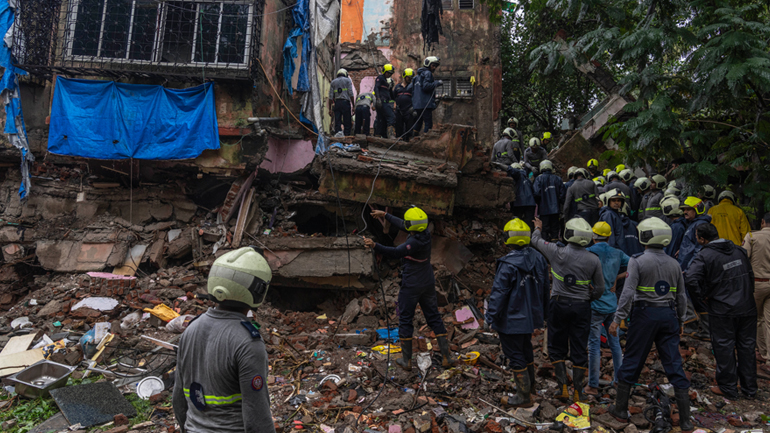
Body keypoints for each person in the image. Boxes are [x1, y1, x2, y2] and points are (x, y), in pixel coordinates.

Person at [173, 247, 276, 433]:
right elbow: (257, 417)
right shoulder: (248, 342)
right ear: (259, 289)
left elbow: (179, 400)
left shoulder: (191, 329)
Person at [607, 218, 694, 433]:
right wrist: (681, 320)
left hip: (644, 315)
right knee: (674, 363)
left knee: (633, 360)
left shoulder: (638, 261)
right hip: (668, 315)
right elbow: (681, 296)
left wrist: (617, 319)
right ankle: (685, 421)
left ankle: (620, 409)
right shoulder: (675, 264)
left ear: (644, 237)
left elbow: (627, 293)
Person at [363, 207, 454, 370]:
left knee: (405, 319)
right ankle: (447, 357)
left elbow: (395, 252)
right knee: (433, 317)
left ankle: (406, 360)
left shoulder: (413, 242)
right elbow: (405, 225)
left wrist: (374, 245)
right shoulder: (425, 233)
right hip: (427, 281)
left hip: (412, 284)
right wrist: (385, 215)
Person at [531, 217, 604, 402]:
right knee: (579, 347)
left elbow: (535, 241)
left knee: (557, 346)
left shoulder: (557, 252)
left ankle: (562, 388)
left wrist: (538, 228)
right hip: (582, 307)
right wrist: (589, 297)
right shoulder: (593, 260)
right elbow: (600, 289)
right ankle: (578, 391)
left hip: (559, 304)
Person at [685, 223, 757, 399]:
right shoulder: (739, 251)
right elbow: (750, 275)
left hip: (722, 309)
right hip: (747, 306)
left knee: (724, 347)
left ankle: (728, 388)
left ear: (702, 239)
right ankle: (750, 389)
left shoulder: (704, 256)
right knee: (747, 348)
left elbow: (690, 278)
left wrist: (702, 298)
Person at [485, 218, 549, 408]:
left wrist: (490, 317)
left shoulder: (508, 264)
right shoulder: (538, 259)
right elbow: (545, 288)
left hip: (511, 319)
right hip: (529, 317)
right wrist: (543, 314)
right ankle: (531, 388)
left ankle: (523, 396)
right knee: (526, 349)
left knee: (515, 354)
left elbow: (498, 294)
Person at [585, 221, 627, 396]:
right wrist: (618, 277)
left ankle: (593, 385)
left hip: (595, 304)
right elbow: (634, 267)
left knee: (594, 345)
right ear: (609, 237)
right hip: (612, 305)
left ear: (593, 236)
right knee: (614, 343)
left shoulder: (588, 252)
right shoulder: (618, 253)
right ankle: (619, 381)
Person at [678, 197, 712, 338]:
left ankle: (701, 328)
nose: (685, 212)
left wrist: (691, 267)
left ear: (697, 209)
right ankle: (699, 328)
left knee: (695, 298)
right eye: (684, 209)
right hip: (688, 266)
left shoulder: (699, 226)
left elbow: (699, 249)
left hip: (691, 269)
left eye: (688, 209)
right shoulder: (693, 224)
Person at [743, 212, 770, 366]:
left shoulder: (752, 237)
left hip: (757, 283)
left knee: (758, 318)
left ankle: (762, 351)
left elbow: (744, 256)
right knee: (768, 321)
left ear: (762, 222)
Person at [533, 160, 564, 241]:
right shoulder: (557, 179)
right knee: (555, 230)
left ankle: (545, 247)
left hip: (544, 210)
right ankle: (554, 246)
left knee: (544, 230)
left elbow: (536, 193)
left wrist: (539, 202)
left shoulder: (538, 179)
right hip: (556, 210)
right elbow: (562, 195)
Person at [413, 56, 442, 134]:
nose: (434, 68)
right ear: (428, 64)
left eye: (435, 66)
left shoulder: (416, 77)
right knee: (428, 124)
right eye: (433, 65)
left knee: (418, 123)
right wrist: (437, 83)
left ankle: (413, 140)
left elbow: (412, 90)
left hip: (417, 105)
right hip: (425, 104)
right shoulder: (428, 73)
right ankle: (425, 141)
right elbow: (426, 86)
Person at [328, 69, 355, 136]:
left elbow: (330, 97)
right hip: (345, 103)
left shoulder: (333, 82)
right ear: (345, 74)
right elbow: (351, 94)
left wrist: (330, 109)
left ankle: (338, 136)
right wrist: (353, 105)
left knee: (337, 121)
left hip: (337, 103)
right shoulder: (347, 80)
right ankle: (347, 136)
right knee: (347, 121)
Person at [374, 64, 396, 138]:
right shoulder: (380, 78)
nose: (389, 74)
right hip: (382, 102)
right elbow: (376, 88)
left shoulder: (386, 82)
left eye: (391, 73)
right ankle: (391, 135)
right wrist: (378, 99)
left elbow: (391, 95)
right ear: (384, 71)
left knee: (381, 120)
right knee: (391, 117)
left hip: (383, 102)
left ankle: (379, 135)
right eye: (388, 73)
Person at [394, 69, 416, 140]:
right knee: (399, 125)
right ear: (404, 76)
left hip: (408, 110)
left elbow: (415, 97)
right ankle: (399, 139)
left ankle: (408, 140)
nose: (410, 79)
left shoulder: (412, 87)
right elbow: (393, 97)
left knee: (409, 126)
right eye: (408, 77)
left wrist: (413, 107)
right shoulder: (397, 87)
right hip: (399, 110)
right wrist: (394, 105)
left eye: (411, 78)